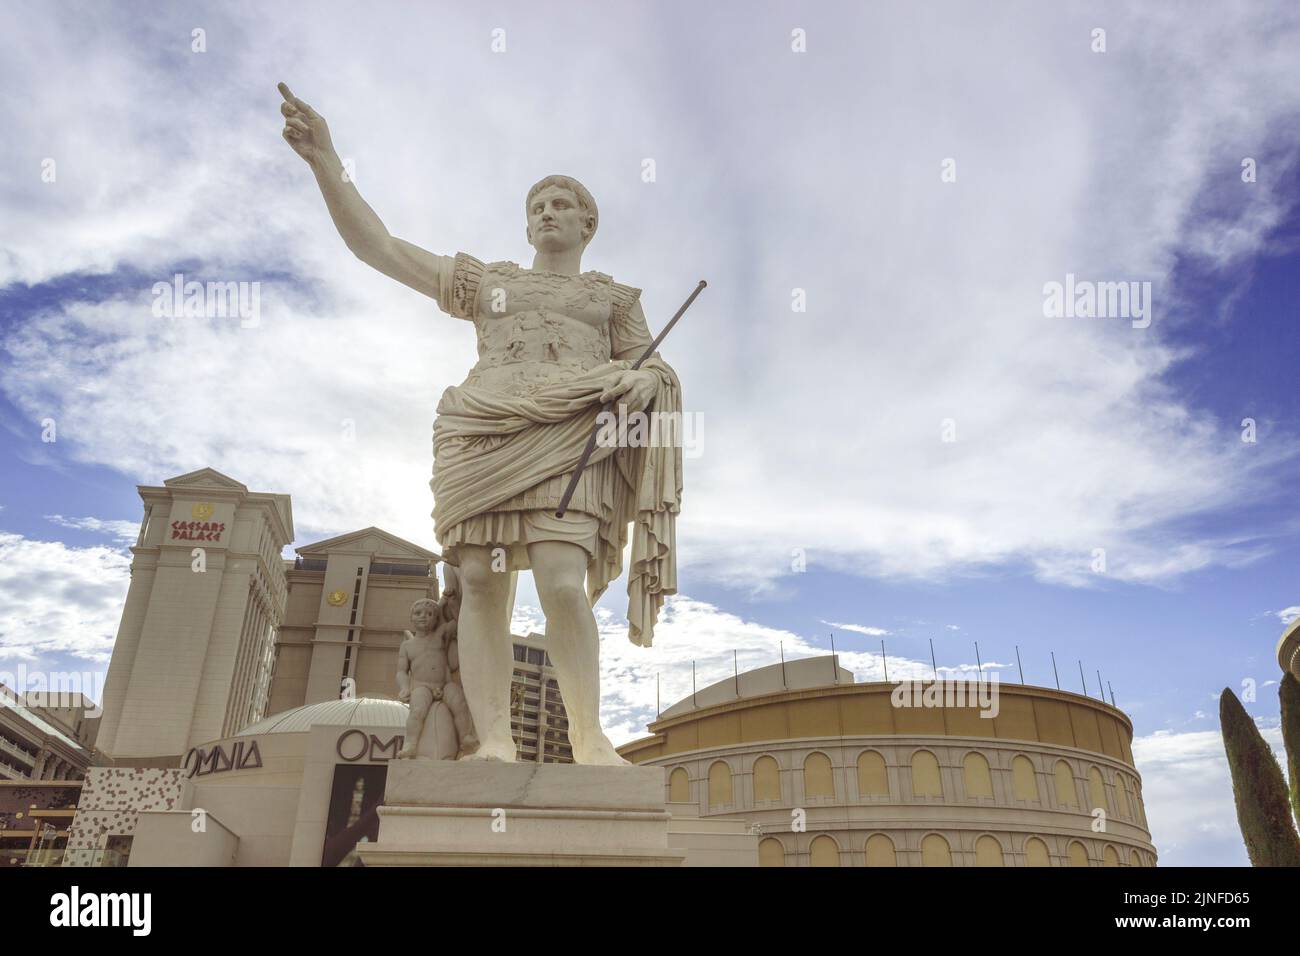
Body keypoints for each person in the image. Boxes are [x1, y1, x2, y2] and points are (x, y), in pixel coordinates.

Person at [280, 83, 683, 765]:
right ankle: (493, 739)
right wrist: (326, 160)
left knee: (562, 581)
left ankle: (588, 737)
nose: (549, 212)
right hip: (482, 435)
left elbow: (653, 368)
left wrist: (646, 379)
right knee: (483, 584)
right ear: (527, 229)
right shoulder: (487, 283)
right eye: (538, 207)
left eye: (564, 205)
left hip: (569, 442)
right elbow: (378, 248)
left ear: (589, 225)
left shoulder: (613, 299)